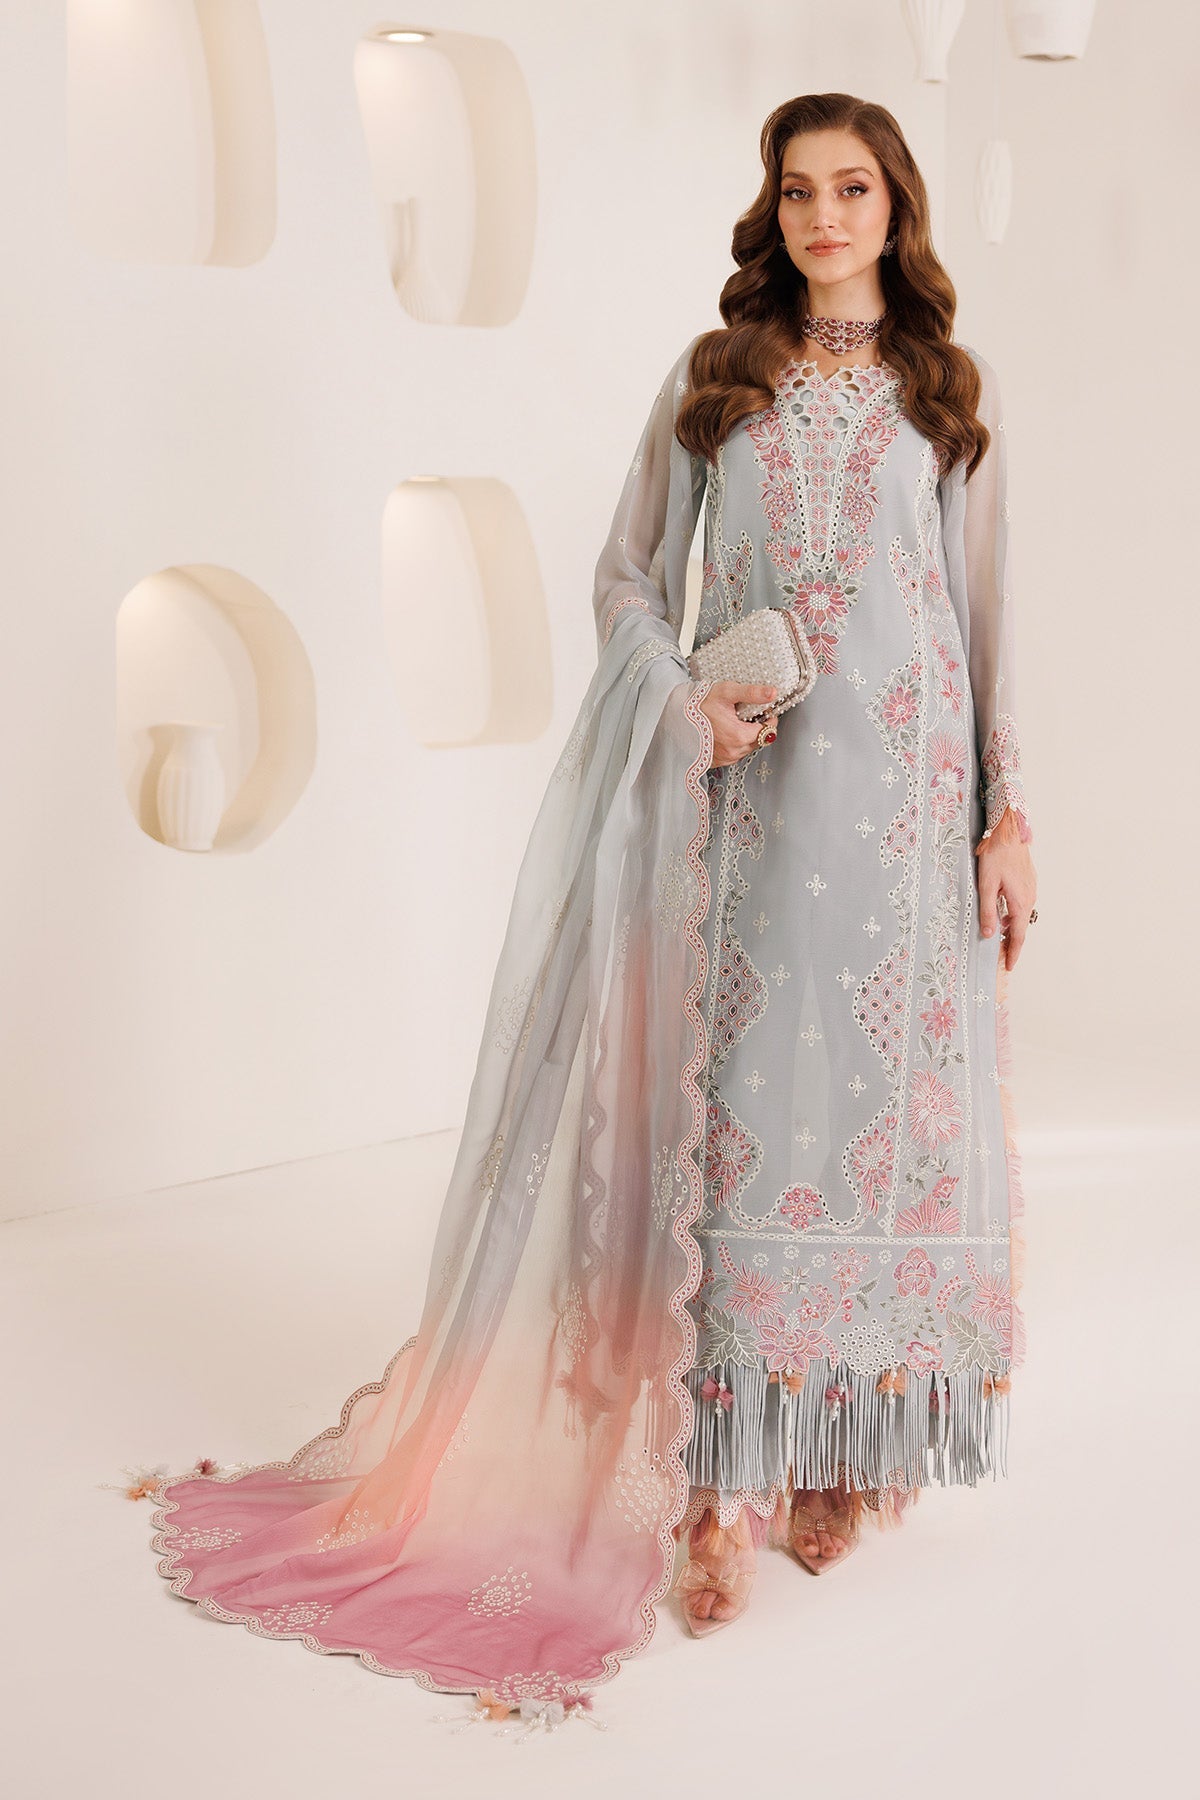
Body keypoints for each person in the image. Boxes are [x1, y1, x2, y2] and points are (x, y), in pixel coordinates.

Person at [136, 92, 1037, 1728]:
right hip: (749, 811)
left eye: (853, 189)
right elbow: (628, 574)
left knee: (870, 1137)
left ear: (898, 210)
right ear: (772, 212)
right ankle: (709, 1492)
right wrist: (680, 701)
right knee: (736, 1137)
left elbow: (983, 625)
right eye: (798, 190)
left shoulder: (946, 400)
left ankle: (832, 1454)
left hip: (908, 840)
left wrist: (1008, 814)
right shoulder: (716, 380)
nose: (825, 216)